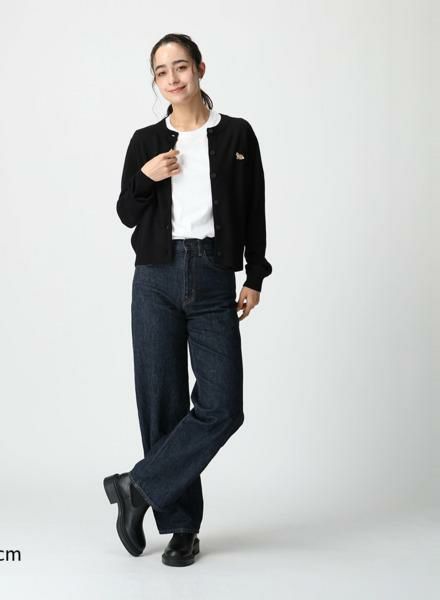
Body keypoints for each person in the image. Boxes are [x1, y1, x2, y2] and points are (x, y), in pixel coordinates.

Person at [103, 33, 272, 567]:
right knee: (163, 402)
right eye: (161, 72)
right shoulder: (145, 140)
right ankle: (181, 527)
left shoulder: (237, 135)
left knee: (223, 407)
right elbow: (127, 213)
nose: (172, 79)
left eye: (180, 66)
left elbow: (255, 207)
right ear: (155, 81)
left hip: (215, 274)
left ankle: (137, 486)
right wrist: (145, 177)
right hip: (155, 276)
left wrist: (255, 274)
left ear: (200, 67)